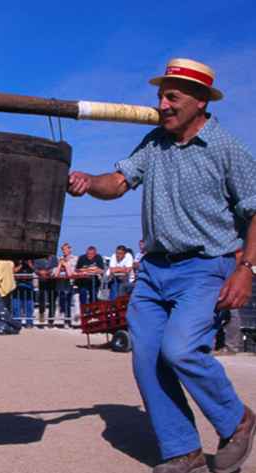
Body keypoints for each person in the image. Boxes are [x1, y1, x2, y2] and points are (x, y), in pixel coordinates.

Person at [68, 58, 256, 473]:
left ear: (200, 101)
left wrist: (247, 269)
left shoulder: (227, 149)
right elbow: (117, 182)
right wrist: (87, 181)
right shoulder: (154, 143)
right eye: (159, 96)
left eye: (172, 96)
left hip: (206, 266)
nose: (162, 104)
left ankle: (237, 419)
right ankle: (183, 451)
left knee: (181, 349)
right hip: (154, 272)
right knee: (148, 358)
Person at [52, 242, 77, 325]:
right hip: (60, 284)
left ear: (70, 249)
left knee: (68, 302)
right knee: (61, 303)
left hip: (69, 284)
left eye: (66, 249)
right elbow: (55, 273)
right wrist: (60, 265)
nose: (64, 251)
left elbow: (71, 273)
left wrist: (65, 265)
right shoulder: (59, 259)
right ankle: (63, 320)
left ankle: (68, 321)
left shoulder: (75, 259)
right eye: (63, 250)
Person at [12, 259, 35, 327]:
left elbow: (35, 270)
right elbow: (13, 270)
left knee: (29, 306)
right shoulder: (16, 260)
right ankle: (17, 323)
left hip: (29, 285)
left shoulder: (31, 259)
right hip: (18, 285)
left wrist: (29, 264)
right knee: (17, 306)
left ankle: (29, 323)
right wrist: (21, 264)